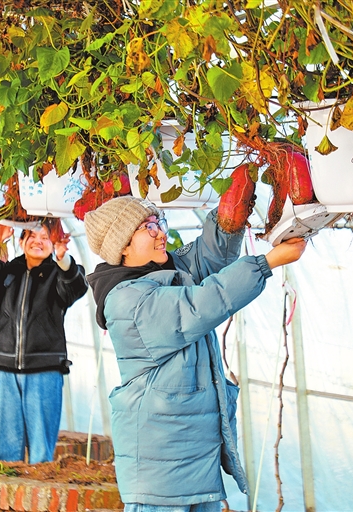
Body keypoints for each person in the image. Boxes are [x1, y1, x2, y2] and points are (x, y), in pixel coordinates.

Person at [83, 195, 306, 508]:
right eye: (148, 227)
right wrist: (267, 262)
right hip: (160, 465)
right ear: (122, 245)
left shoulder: (165, 273)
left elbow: (207, 257)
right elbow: (200, 304)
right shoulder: (126, 301)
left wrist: (233, 207)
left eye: (158, 222)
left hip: (192, 456)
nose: (160, 232)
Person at [0, 220, 88, 463]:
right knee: (4, 447)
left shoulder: (59, 274)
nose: (38, 241)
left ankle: (38, 494)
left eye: (45, 237)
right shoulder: (6, 271)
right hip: (3, 365)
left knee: (41, 450)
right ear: (21, 241)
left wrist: (63, 258)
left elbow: (75, 288)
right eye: (32, 236)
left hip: (44, 369)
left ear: (53, 243)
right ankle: (3, 494)